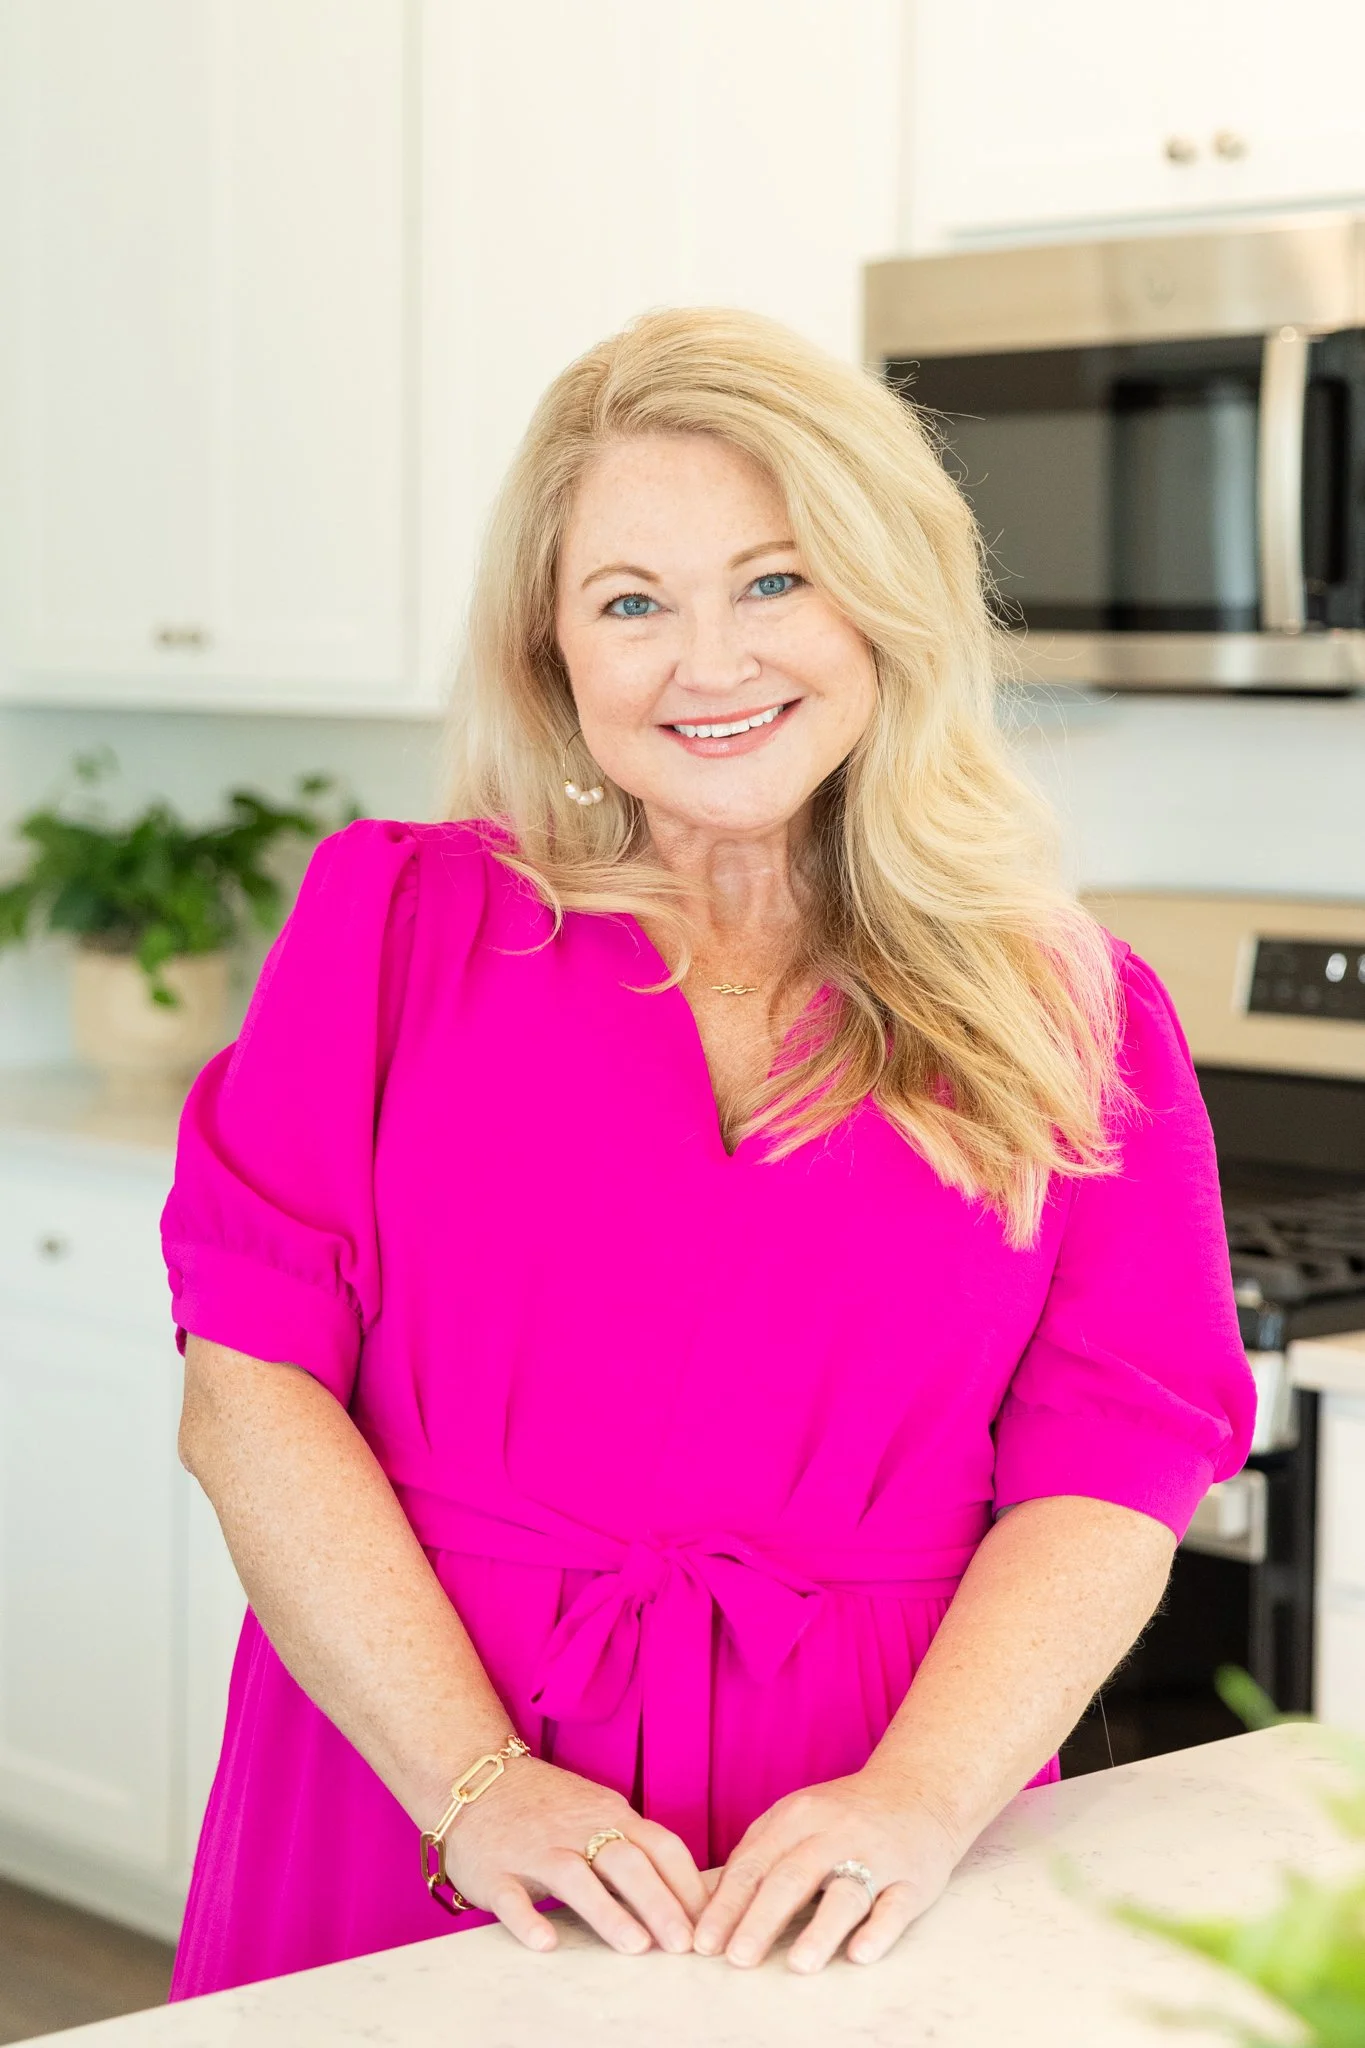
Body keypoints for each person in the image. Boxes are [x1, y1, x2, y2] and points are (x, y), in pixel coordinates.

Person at [161, 306, 1256, 1996]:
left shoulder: (1074, 1013)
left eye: (773, 580)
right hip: (415, 1784)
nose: (712, 662)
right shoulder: (391, 927)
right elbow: (248, 1395)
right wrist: (474, 1785)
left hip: (870, 1840)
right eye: (631, 603)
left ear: (881, 597)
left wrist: (917, 1800)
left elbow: (1110, 1476)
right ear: (552, 652)